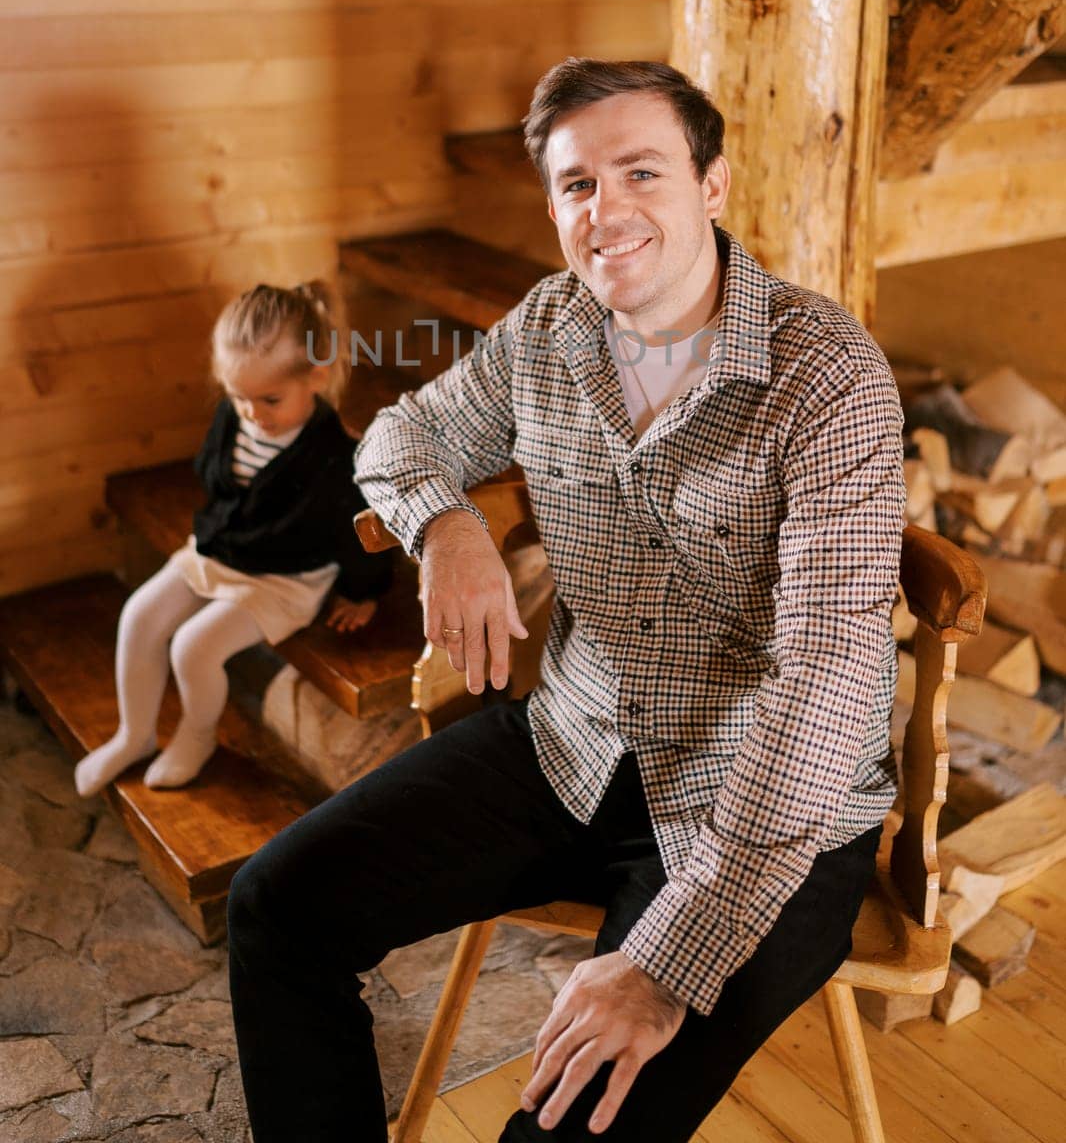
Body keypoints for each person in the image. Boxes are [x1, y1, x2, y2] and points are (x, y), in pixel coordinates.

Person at [226, 59, 905, 1143]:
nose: (609, 209)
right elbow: (403, 433)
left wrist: (663, 964)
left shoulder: (825, 375)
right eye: (578, 184)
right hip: (571, 742)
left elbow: (824, 687)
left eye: (642, 171)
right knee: (276, 906)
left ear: (711, 185)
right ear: (551, 207)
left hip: (767, 807)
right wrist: (447, 527)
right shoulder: (549, 327)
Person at [74, 280, 391, 798]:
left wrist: (363, 592)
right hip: (224, 549)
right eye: (238, 398)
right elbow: (215, 476)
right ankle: (133, 735)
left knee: (193, 647)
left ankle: (197, 738)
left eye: (269, 399)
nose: (253, 414)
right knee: (139, 616)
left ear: (317, 374)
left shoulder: (332, 458)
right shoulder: (236, 417)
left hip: (284, 577)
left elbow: (353, 530)